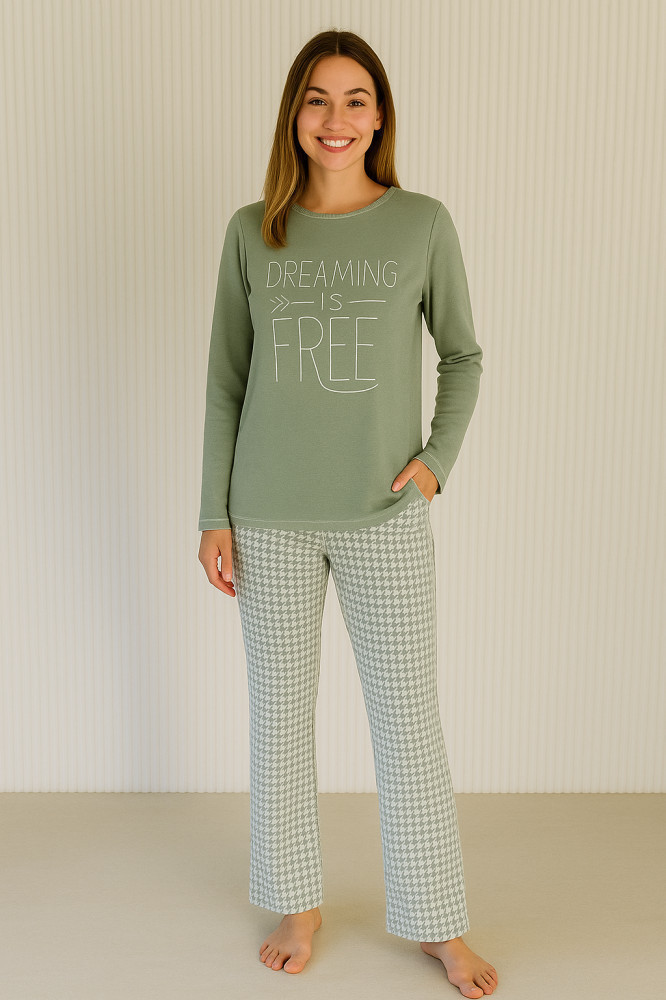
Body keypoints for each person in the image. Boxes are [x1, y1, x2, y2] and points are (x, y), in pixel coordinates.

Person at [197, 28, 498, 999]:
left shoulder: (421, 223)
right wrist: (213, 511)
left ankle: (439, 920)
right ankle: (297, 904)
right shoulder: (254, 230)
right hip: (268, 514)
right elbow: (226, 380)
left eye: (355, 98)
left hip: (385, 514)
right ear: (295, 113)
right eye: (318, 98)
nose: (336, 118)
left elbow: (464, 355)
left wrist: (435, 465)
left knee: (408, 724)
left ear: (380, 115)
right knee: (279, 721)